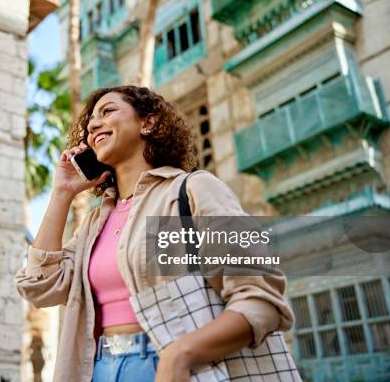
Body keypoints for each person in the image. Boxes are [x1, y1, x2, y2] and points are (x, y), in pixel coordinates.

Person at [15, 86, 295, 382]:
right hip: (99, 368)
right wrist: (62, 193)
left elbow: (262, 299)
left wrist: (182, 354)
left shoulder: (193, 190)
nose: (93, 125)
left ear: (148, 123)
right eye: (90, 122)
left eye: (107, 111)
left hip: (175, 367)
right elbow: (39, 287)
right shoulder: (94, 224)